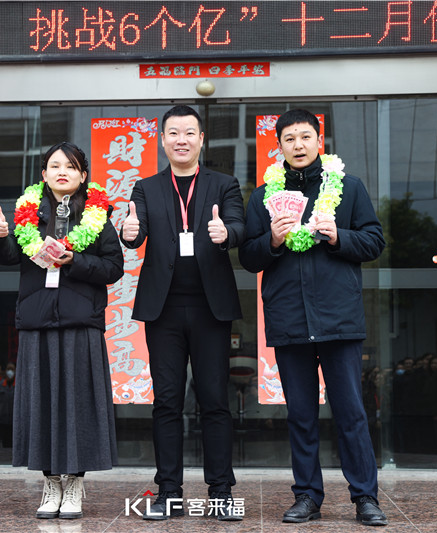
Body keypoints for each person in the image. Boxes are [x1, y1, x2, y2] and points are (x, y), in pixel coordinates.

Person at [238, 109, 387, 526]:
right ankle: (307, 495)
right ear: (279, 146)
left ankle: (365, 497)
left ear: (319, 141)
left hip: (339, 320)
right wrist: (273, 240)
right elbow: (248, 257)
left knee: (351, 413)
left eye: (305, 137)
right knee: (301, 416)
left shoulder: (349, 188)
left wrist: (340, 237)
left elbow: (374, 241)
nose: (298, 145)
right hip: (289, 319)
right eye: (289, 139)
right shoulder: (263, 197)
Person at [120, 105, 245, 521]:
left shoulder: (224, 184)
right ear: (162, 140)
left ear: (201, 139)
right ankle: (168, 492)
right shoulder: (146, 187)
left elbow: (239, 226)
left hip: (211, 309)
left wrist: (226, 232)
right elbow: (133, 231)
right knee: (167, 402)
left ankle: (221, 492)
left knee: (214, 401)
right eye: (173, 133)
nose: (181, 140)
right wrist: (128, 233)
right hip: (164, 310)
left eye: (189, 132)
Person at [0, 141, 122, 520]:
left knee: (78, 404)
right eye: (55, 166)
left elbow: (113, 267)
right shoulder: (28, 212)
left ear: (83, 175)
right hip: (37, 320)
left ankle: (74, 483)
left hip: (81, 322)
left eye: (71, 166)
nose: (63, 172)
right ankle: (50, 483)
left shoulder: (97, 214)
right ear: (44, 174)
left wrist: (74, 260)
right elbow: (9, 255)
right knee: (41, 403)